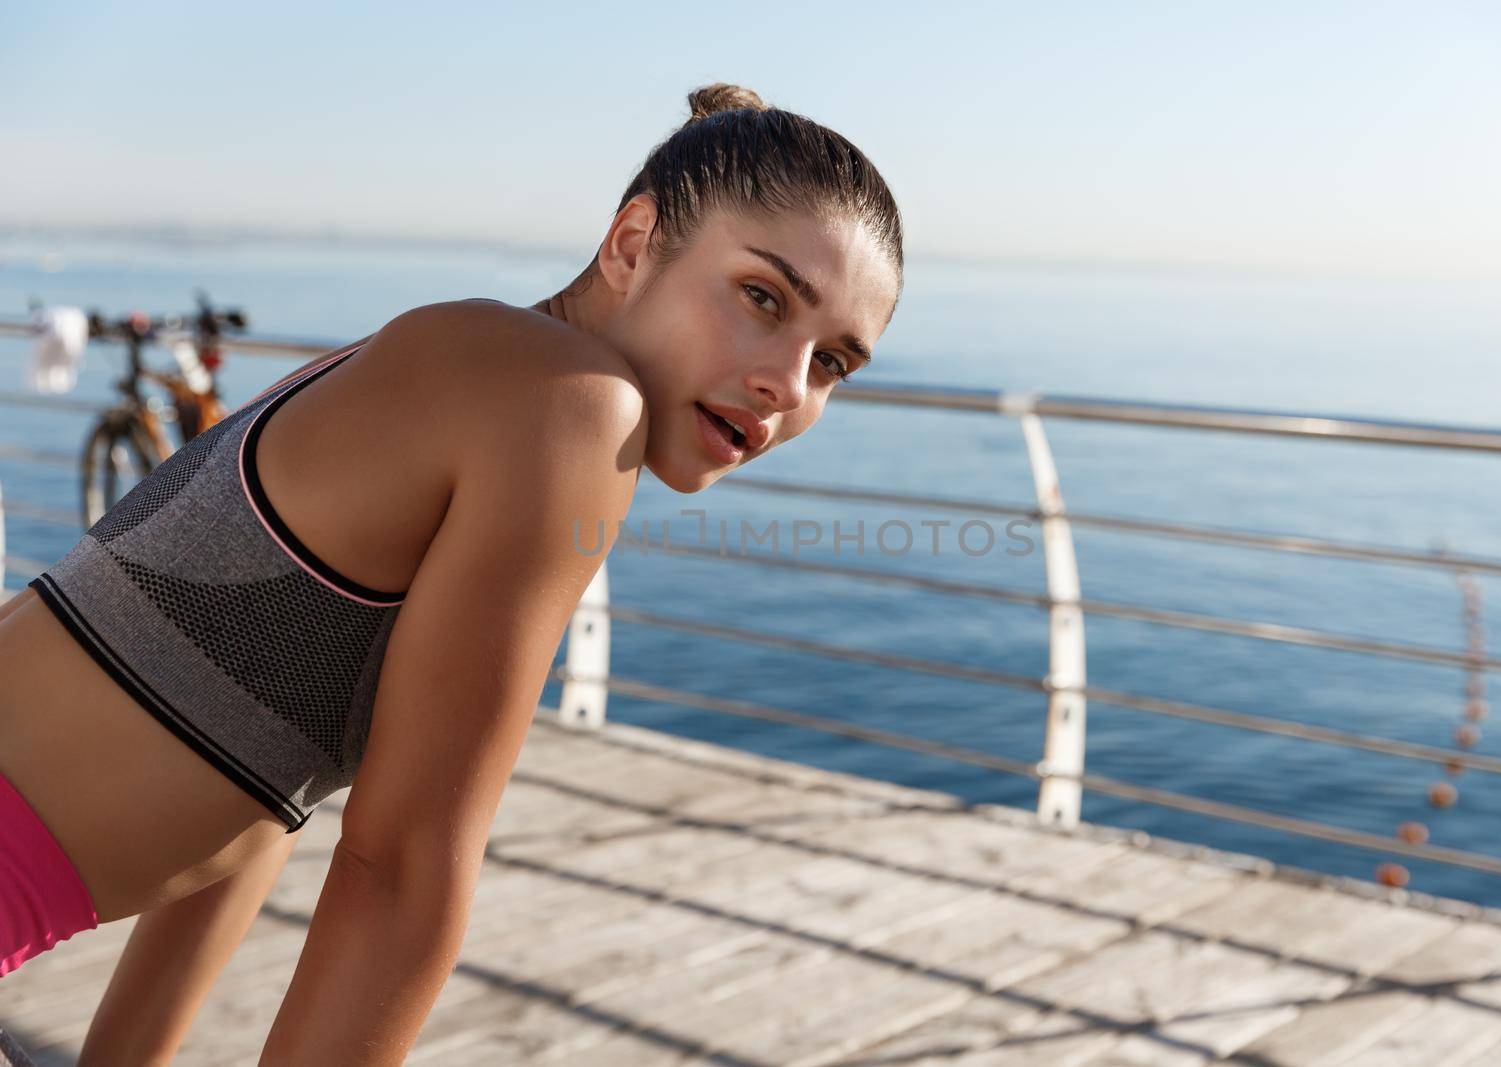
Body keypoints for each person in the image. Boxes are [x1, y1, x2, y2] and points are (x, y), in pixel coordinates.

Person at [0, 82, 903, 1063]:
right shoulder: (568, 404)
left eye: (833, 364)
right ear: (634, 242)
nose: (786, 381)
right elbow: (400, 869)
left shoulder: (464, 359)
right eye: (763, 298)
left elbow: (262, 768)